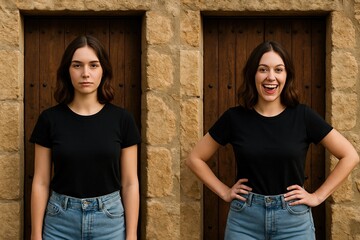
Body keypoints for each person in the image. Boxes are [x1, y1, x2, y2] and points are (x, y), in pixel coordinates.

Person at [186, 41, 359, 239]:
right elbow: (195, 159)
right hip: (244, 221)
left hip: (294, 221)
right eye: (263, 69)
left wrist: (318, 196)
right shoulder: (234, 118)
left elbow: (350, 156)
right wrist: (225, 192)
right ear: (253, 75)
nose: (271, 77)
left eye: (279, 70)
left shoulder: (303, 116)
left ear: (287, 76)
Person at [30, 35, 141, 240]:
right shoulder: (49, 119)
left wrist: (132, 234)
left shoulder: (122, 119)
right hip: (59, 222)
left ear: (103, 70)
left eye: (93, 65)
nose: (85, 73)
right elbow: (41, 181)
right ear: (67, 70)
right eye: (77, 65)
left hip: (109, 221)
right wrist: (35, 235)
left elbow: (130, 182)